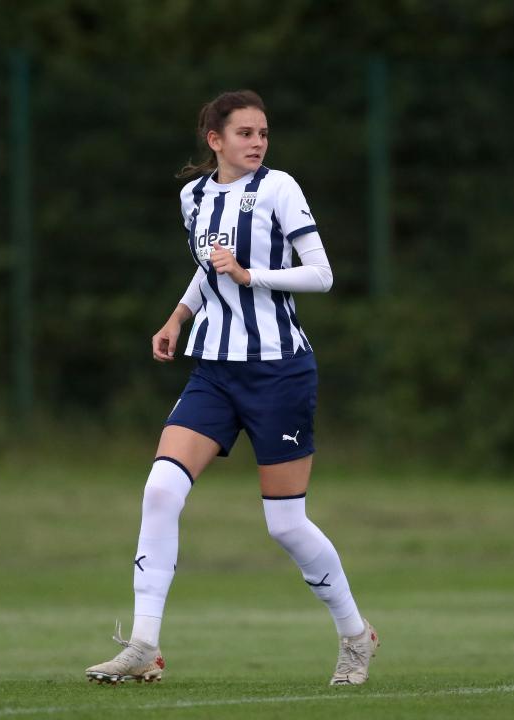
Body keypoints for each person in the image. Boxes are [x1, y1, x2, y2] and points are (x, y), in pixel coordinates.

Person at [85, 89, 378, 686]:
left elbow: (321, 273)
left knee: (286, 524)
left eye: (263, 133)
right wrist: (178, 315)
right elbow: (208, 265)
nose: (257, 143)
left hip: (279, 372)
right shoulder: (193, 196)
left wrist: (252, 276)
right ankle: (144, 645)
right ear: (214, 140)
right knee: (161, 491)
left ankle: (355, 635)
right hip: (214, 370)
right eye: (245, 133)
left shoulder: (279, 188)